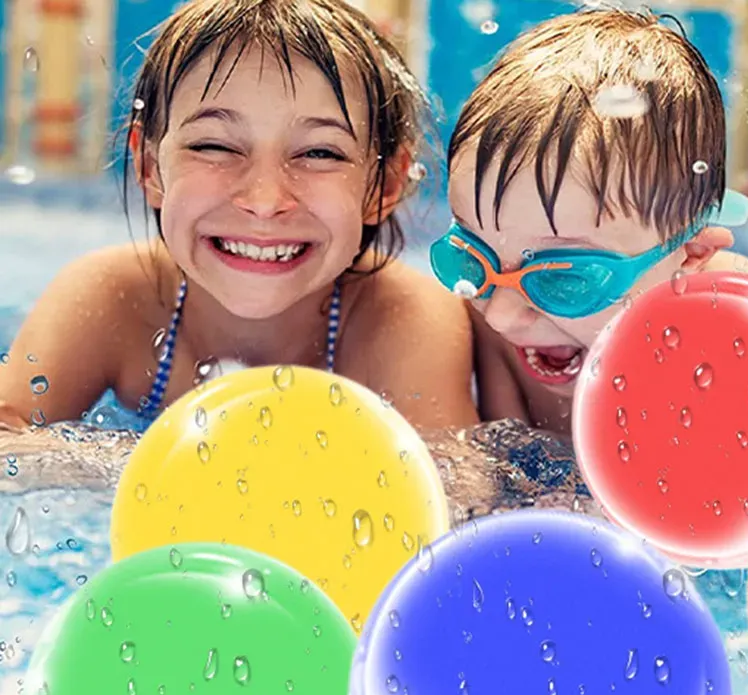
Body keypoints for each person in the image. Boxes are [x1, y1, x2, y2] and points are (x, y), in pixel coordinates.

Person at [0, 0, 478, 434]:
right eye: (215, 146)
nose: (265, 199)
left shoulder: (401, 321)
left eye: (318, 152)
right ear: (150, 168)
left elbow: (454, 491)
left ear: (384, 186)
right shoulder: (112, 300)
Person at [430, 7, 748, 436]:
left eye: (563, 279)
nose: (501, 315)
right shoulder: (481, 316)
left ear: (691, 253)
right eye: (470, 259)